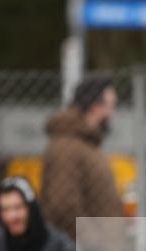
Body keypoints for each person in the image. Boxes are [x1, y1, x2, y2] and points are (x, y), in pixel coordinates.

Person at [41, 76, 123, 239]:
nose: (112, 114)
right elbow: (62, 205)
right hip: (80, 250)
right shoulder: (66, 147)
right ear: (95, 106)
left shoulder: (86, 146)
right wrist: (93, 241)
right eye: (111, 106)